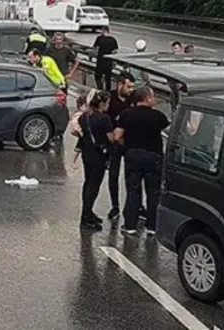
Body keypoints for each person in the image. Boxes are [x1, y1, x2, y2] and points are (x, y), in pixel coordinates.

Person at [114, 86, 170, 236]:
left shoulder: (126, 114)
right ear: (147, 98)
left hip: (133, 155)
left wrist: (128, 146)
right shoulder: (158, 116)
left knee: (133, 190)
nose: (155, 99)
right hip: (153, 156)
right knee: (153, 192)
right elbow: (170, 134)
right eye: (153, 97)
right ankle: (152, 226)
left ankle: (130, 225)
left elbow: (117, 136)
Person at [73, 89, 114, 231]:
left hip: (87, 153)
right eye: (107, 103)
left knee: (87, 182)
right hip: (99, 154)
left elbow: (80, 134)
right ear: (102, 104)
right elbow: (110, 138)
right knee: (94, 185)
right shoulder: (104, 119)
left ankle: (88, 212)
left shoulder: (84, 117)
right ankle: (86, 217)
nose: (108, 105)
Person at [105, 74, 136, 221]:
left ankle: (134, 205)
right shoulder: (109, 98)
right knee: (113, 174)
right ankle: (115, 206)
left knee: (131, 175)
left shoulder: (134, 99)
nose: (131, 90)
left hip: (129, 141)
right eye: (128, 86)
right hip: (114, 143)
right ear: (120, 85)